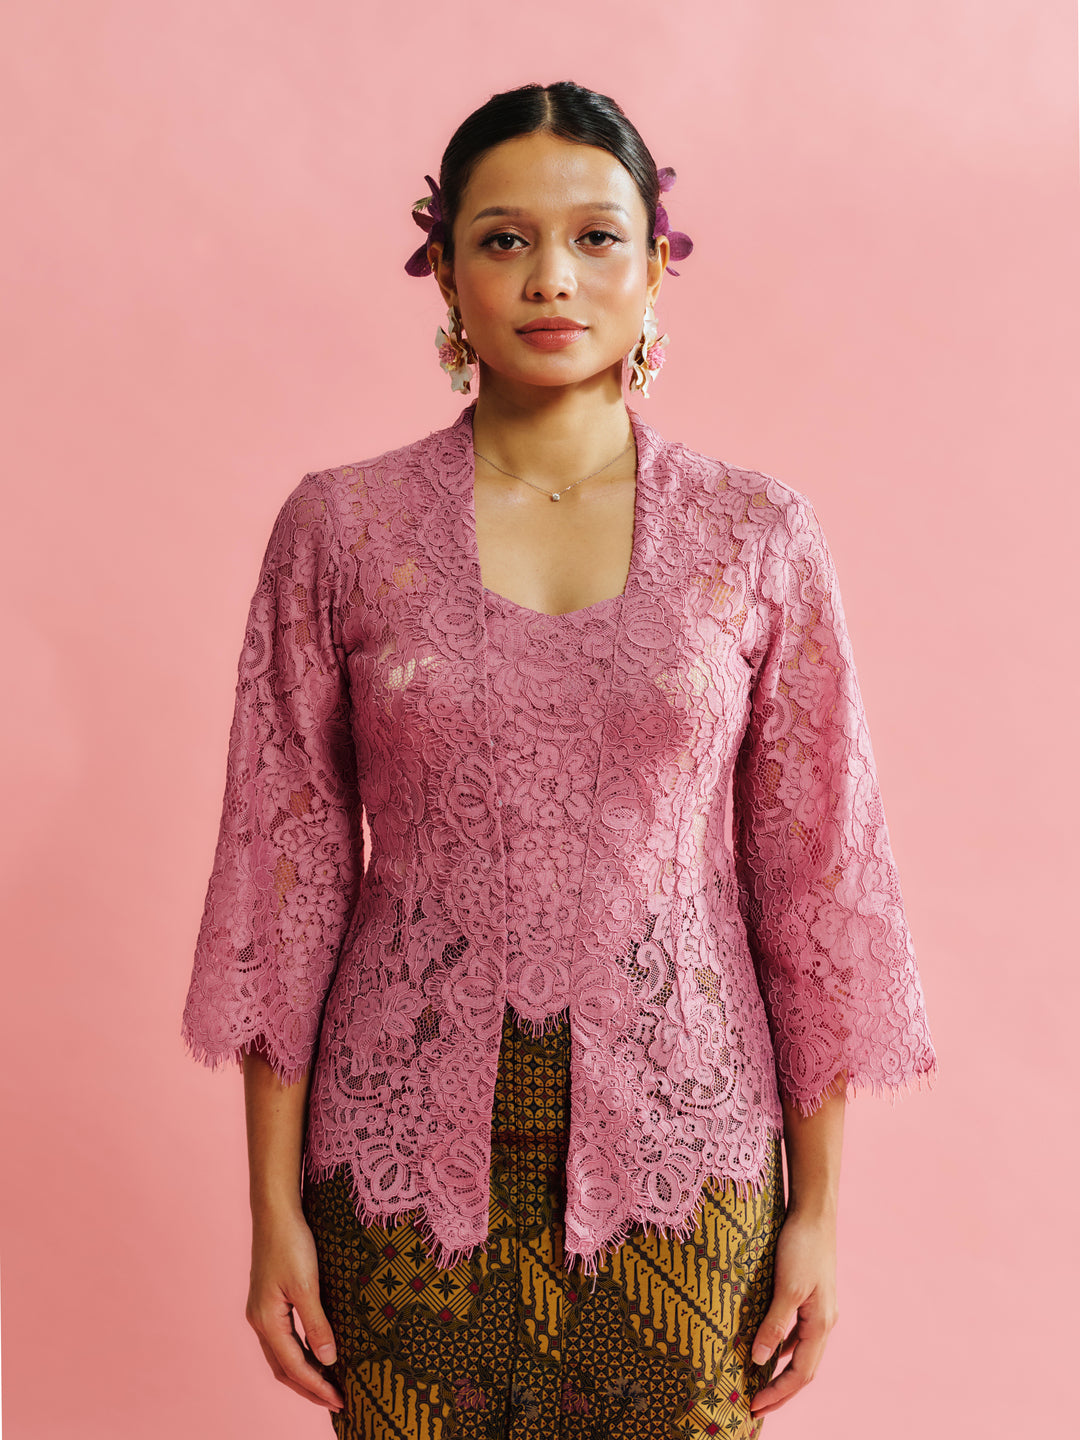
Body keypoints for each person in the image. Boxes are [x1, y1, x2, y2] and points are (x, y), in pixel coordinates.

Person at [181, 80, 937, 1439]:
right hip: (398, 1172)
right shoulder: (341, 531)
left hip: (690, 1172)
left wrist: (819, 1215)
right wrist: (270, 1212)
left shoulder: (758, 535)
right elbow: (282, 883)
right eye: (504, 238)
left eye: (596, 237)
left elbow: (817, 885)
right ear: (445, 273)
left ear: (655, 268)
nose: (551, 277)